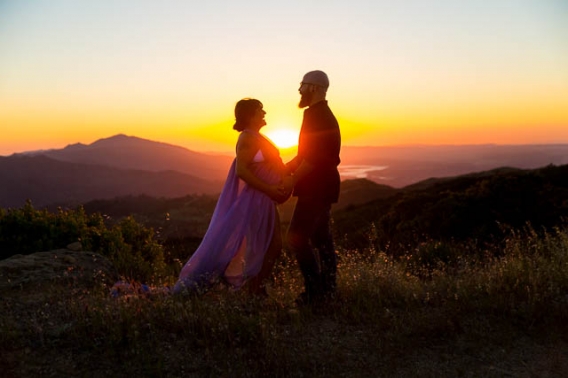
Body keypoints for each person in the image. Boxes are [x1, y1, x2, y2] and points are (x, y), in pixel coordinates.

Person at [173, 98, 290, 295]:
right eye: (260, 110)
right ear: (250, 114)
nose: (264, 113)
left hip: (264, 201)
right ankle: (255, 291)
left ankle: (256, 290)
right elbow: (242, 171)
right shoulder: (247, 139)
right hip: (256, 201)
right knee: (271, 246)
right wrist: (269, 190)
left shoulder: (255, 136)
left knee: (270, 246)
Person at [283, 70, 342, 304]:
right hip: (321, 187)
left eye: (302, 84)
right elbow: (304, 155)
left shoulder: (319, 116)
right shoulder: (316, 114)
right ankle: (327, 291)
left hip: (316, 188)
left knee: (295, 238)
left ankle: (315, 292)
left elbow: (313, 159)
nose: (299, 89)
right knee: (322, 240)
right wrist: (282, 167)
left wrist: (292, 178)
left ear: (315, 88)